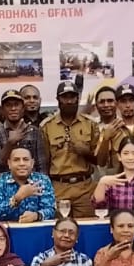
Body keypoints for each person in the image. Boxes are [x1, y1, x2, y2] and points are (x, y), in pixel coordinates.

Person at [40, 80, 99, 218]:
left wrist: (86, 152)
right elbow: (44, 162)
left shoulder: (90, 124)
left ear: (78, 99)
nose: (69, 101)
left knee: (87, 226)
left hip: (84, 187)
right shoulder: (46, 126)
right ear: (58, 100)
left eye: (72, 97)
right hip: (58, 187)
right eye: (64, 97)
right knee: (60, 228)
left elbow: (100, 160)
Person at [0, 145, 56, 223]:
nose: (22, 163)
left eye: (25, 159)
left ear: (32, 163)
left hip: (36, 227)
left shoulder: (42, 180)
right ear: (9, 163)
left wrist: (36, 216)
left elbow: (51, 210)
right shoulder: (0, 182)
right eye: (16, 160)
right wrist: (16, 198)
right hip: (8, 229)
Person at [0, 89, 45, 173]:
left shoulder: (34, 132)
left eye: (16, 105)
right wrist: (9, 144)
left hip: (31, 180)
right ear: (2, 110)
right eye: (8, 105)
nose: (13, 108)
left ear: (23, 108)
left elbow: (42, 166)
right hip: (5, 180)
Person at [93, 136, 134, 214]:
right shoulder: (110, 182)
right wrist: (101, 183)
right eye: (126, 153)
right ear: (119, 157)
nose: (130, 158)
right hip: (118, 221)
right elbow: (98, 207)